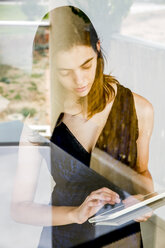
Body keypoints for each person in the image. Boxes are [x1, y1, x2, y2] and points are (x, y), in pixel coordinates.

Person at [11, 6, 154, 248]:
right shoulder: (37, 116)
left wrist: (143, 200)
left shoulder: (140, 109)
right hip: (64, 239)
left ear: (98, 48)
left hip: (123, 240)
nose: (80, 80)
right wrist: (76, 214)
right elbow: (19, 208)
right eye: (65, 72)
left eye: (87, 65)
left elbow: (141, 172)